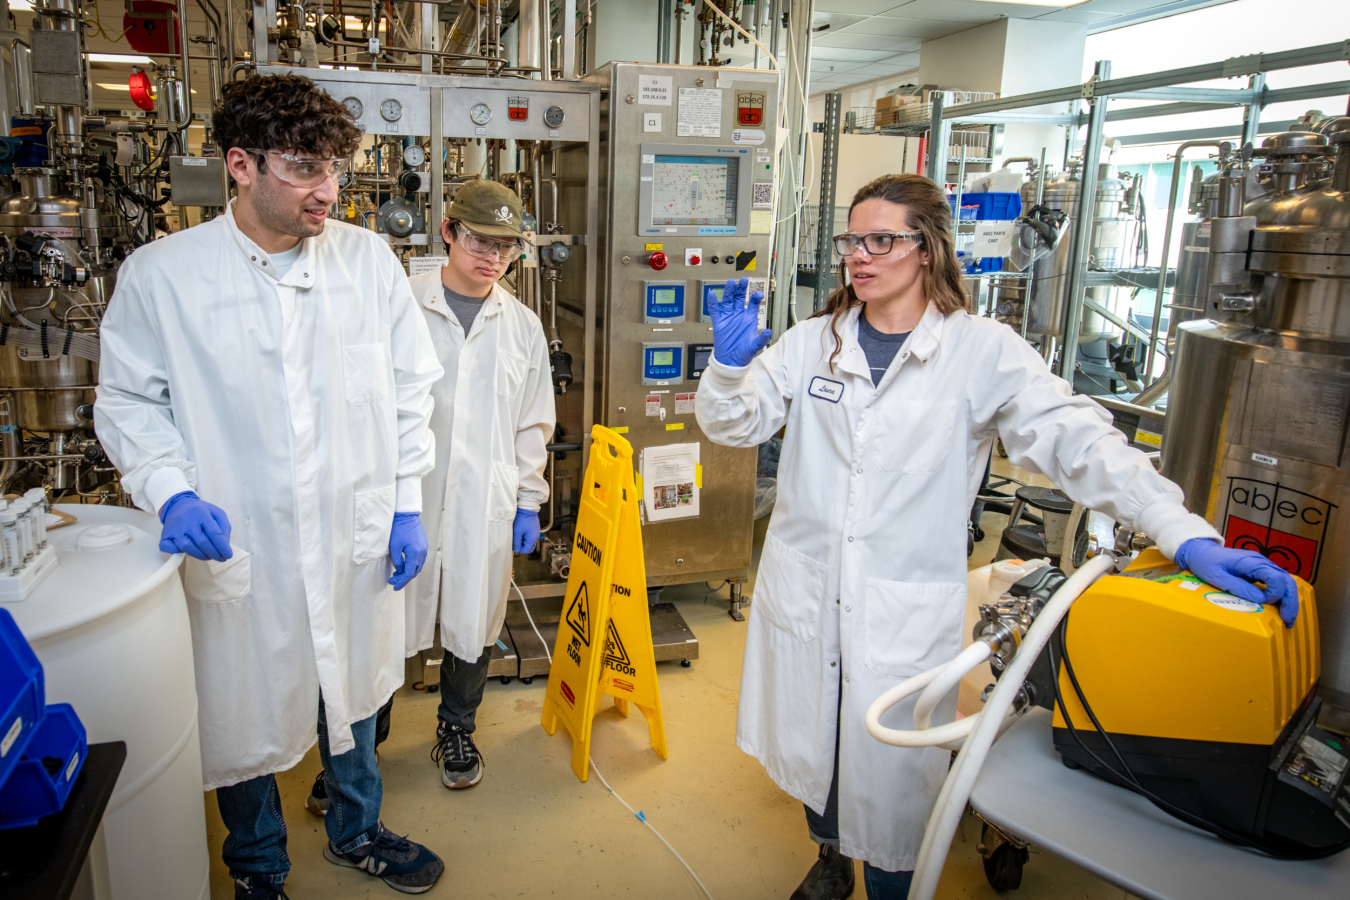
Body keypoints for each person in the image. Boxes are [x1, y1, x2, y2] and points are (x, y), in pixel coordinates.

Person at [694, 173, 1299, 900]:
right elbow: (736, 425)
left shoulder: (981, 351)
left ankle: (887, 883)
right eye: (853, 239)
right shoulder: (810, 342)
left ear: (926, 250)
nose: (861, 255)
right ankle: (829, 861)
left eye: (882, 239)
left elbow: (1079, 441)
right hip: (807, 589)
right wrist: (729, 367)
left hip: (901, 606)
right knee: (812, 743)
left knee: (891, 775)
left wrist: (1182, 532)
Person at [95, 74, 447, 899]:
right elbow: (128, 400)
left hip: (351, 532)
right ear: (241, 166)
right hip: (239, 535)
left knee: (353, 683)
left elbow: (409, 392)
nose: (327, 190)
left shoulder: (367, 264)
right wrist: (170, 490)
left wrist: (404, 505)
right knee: (238, 701)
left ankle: (357, 828)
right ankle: (257, 867)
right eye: (303, 169)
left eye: (334, 170)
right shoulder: (163, 275)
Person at [303, 180, 553, 808]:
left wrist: (529, 498)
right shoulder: (400, 304)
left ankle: (457, 731)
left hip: (481, 503)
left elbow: (533, 421)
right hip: (401, 502)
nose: (492, 257)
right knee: (381, 623)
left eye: (506, 247)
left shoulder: (522, 327)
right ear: (447, 232)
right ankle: (358, 755)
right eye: (478, 240)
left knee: (472, 621)